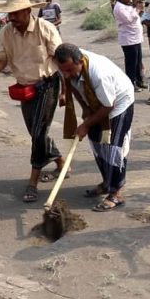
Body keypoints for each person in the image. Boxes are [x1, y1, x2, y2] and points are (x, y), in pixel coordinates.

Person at [0, 0, 67, 203]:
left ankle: (32, 182)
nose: (12, 17)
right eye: (10, 13)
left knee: (37, 133)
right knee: (37, 132)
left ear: (28, 11)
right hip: (24, 89)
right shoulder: (6, 33)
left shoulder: (45, 29)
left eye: (16, 13)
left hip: (48, 85)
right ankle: (62, 163)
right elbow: (1, 61)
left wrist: (65, 91)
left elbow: (61, 61)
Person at [56, 43, 135, 212]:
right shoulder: (65, 66)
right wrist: (85, 109)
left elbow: (108, 106)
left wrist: (86, 124)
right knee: (97, 144)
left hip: (119, 102)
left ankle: (116, 193)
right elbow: (73, 85)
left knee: (114, 147)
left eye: (70, 70)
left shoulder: (99, 74)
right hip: (95, 102)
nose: (66, 74)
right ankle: (107, 182)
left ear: (80, 62)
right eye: (64, 71)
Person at [113, 0, 147, 92]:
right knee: (131, 63)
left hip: (136, 37)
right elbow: (129, 19)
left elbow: (137, 15)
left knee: (138, 60)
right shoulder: (119, 7)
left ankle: (139, 80)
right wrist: (137, 8)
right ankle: (131, 83)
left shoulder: (128, 4)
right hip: (128, 39)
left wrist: (138, 6)